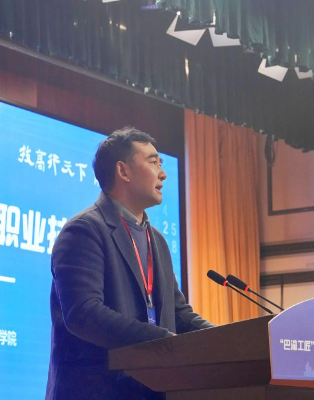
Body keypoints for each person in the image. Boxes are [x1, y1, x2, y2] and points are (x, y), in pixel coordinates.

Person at [45, 127, 214, 400]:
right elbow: (83, 313)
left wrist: (224, 340)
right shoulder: (84, 230)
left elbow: (179, 314)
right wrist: (162, 341)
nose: (163, 174)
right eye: (153, 162)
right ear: (123, 171)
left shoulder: (157, 240)